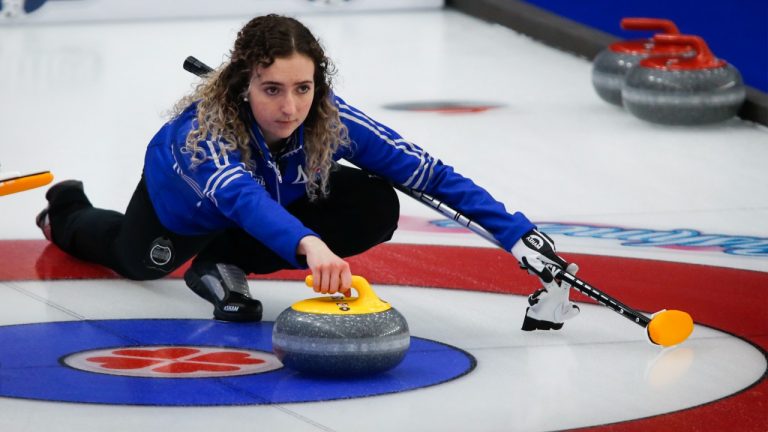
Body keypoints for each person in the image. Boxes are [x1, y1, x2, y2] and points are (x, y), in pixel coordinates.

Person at [36, 14, 580, 329]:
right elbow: (243, 201)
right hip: (185, 209)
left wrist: (516, 232)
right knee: (136, 262)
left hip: (274, 205)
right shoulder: (204, 134)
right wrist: (312, 247)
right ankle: (65, 211)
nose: (290, 108)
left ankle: (221, 264)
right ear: (244, 83)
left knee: (375, 200)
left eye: (303, 88)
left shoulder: (328, 119)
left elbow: (427, 172)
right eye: (272, 90)